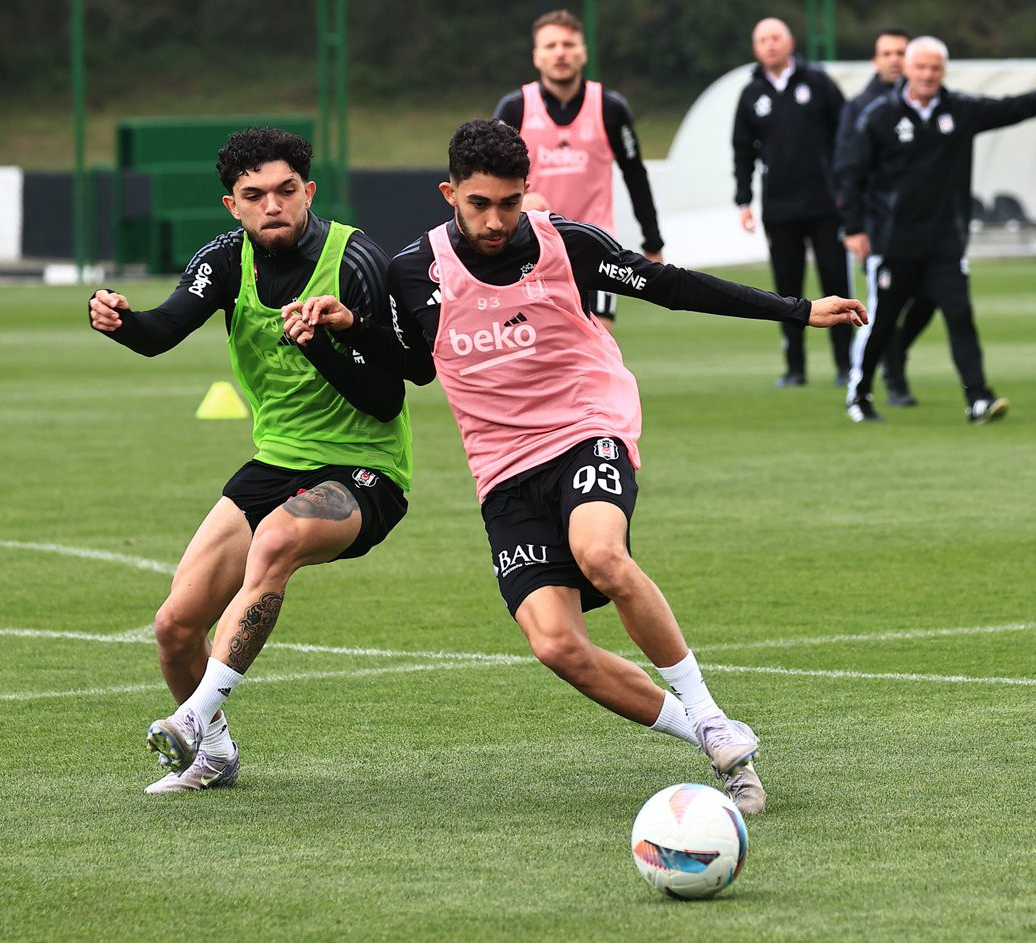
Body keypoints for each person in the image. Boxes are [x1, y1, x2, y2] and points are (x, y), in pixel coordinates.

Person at [279, 119, 867, 815]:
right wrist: (350, 329)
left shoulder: (568, 244)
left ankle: (708, 711)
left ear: (525, 192)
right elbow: (413, 366)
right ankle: (711, 738)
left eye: (509, 203)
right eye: (479, 204)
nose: (495, 221)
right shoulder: (412, 271)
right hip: (503, 469)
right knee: (557, 644)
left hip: (586, 429)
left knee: (602, 555)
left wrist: (798, 310)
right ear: (449, 194)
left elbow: (671, 286)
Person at [87, 127, 412, 793]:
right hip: (276, 463)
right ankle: (213, 753)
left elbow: (387, 398)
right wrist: (123, 321)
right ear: (232, 205)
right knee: (175, 626)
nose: (273, 205)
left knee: (277, 540)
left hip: (365, 467)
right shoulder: (225, 260)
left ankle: (191, 716)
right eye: (255, 195)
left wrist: (321, 344)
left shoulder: (356, 261)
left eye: (286, 190)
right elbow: (162, 330)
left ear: (308, 191)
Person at [838, 36, 1036, 423]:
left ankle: (978, 399)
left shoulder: (960, 110)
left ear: (944, 71)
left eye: (935, 68)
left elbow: (1012, 107)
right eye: (921, 67)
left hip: (944, 241)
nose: (928, 74)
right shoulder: (879, 115)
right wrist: (854, 228)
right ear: (907, 69)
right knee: (881, 320)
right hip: (894, 240)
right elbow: (851, 174)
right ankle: (860, 394)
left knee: (959, 316)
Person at [493, 8, 664, 333]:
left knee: (598, 340)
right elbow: (489, 175)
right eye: (551, 45)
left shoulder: (611, 108)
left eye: (568, 44)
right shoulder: (514, 109)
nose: (560, 52)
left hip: (595, 246)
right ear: (536, 56)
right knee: (535, 344)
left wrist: (652, 242)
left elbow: (635, 175)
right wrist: (519, 202)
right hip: (532, 247)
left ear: (583, 53)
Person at [733, 17, 852, 388]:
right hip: (780, 208)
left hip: (825, 205)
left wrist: (846, 187)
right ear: (755, 48)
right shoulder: (751, 94)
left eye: (775, 38)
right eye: (762, 40)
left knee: (835, 280)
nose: (770, 45)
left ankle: (846, 364)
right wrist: (743, 200)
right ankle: (795, 367)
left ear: (790, 42)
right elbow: (742, 151)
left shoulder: (817, 83)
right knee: (786, 290)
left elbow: (847, 134)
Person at [834, 29, 934, 408]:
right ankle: (890, 381)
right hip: (880, 228)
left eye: (901, 52)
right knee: (886, 304)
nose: (894, 59)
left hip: (927, 226)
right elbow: (846, 169)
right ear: (876, 60)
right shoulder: (861, 107)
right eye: (887, 53)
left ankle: (896, 352)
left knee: (931, 296)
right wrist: (854, 226)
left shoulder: (930, 106)